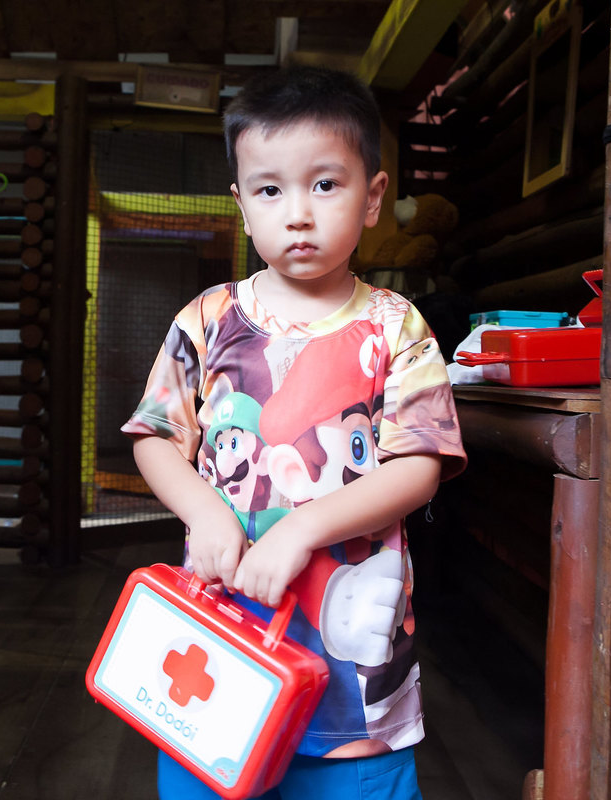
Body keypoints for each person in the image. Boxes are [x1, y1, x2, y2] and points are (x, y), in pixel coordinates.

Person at [121, 64, 467, 800]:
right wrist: (206, 511)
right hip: (215, 650)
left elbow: (419, 465)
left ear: (373, 198)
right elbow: (155, 435)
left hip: (353, 676)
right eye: (270, 190)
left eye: (325, 184)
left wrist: (300, 529)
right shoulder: (206, 319)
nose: (298, 214)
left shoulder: (396, 326)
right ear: (242, 205)